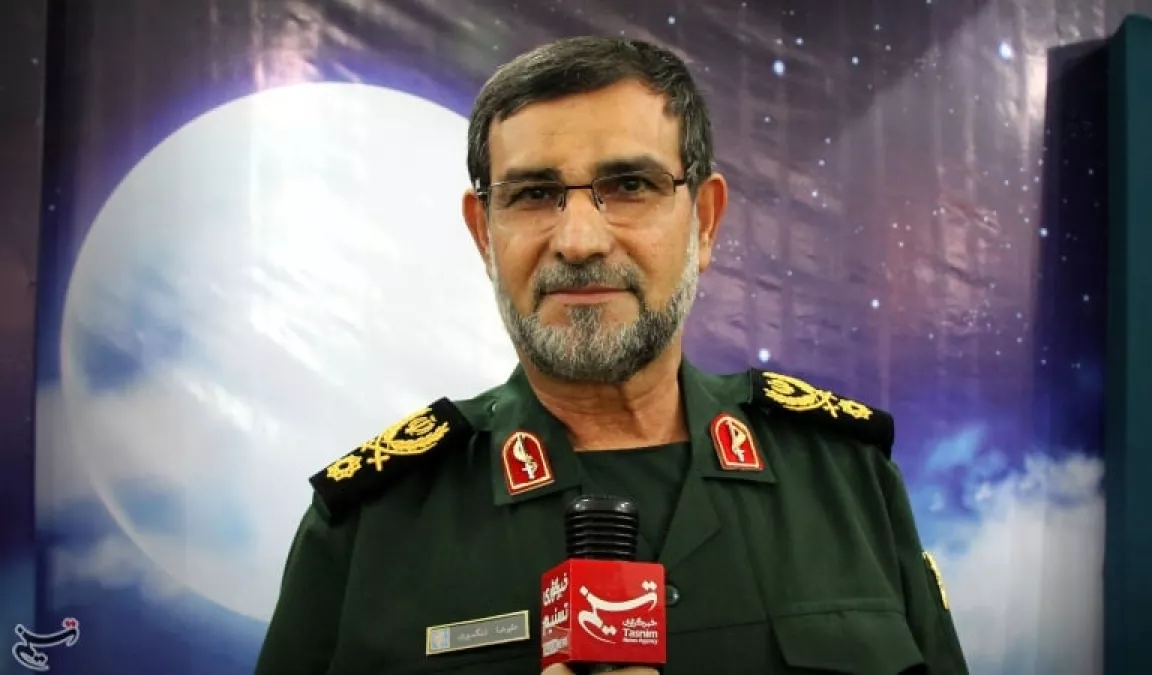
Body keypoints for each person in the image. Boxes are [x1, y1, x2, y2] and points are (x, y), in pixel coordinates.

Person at [254, 35, 970, 675]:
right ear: (483, 234)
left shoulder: (848, 482)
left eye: (629, 186)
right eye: (534, 193)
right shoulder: (368, 526)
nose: (580, 241)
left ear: (705, 221)